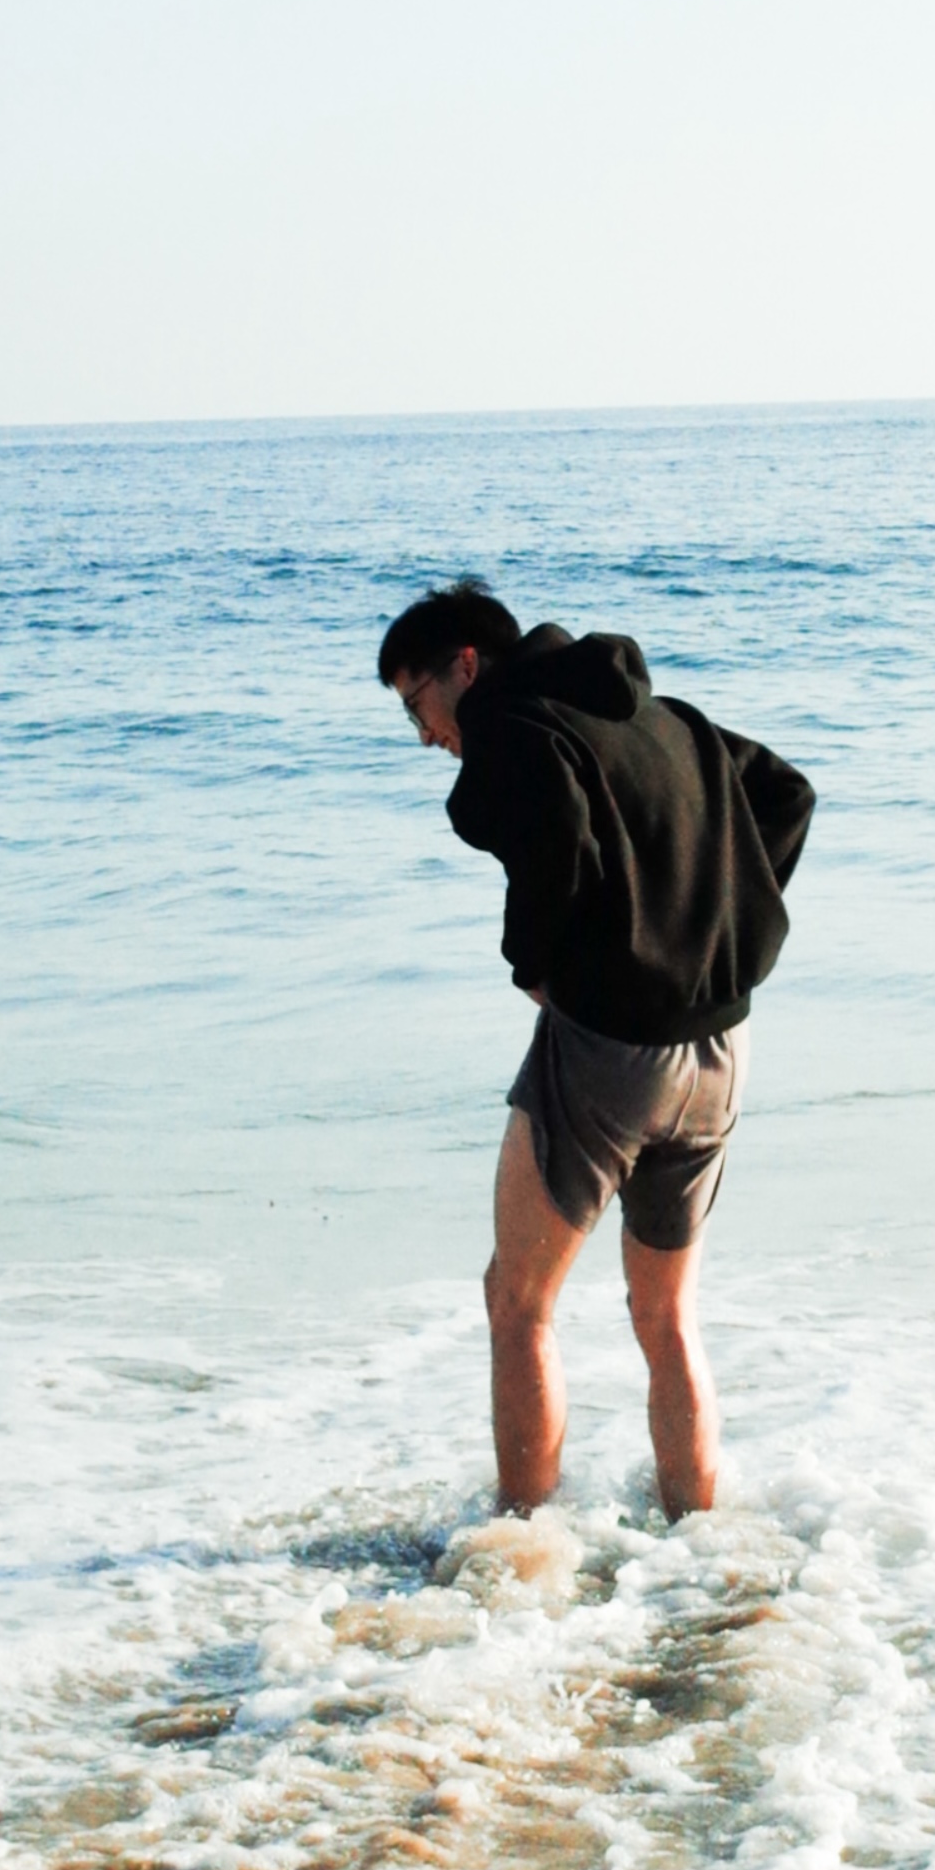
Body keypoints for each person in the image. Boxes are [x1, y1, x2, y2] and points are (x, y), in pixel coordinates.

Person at [378, 581, 815, 1521]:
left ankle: (520, 1552)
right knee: (665, 1318)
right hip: (719, 1047)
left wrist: (536, 965)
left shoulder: (513, 721)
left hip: (613, 1052)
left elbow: (557, 837)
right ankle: (696, 1546)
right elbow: (785, 794)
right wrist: (714, 936)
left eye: (417, 704)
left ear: (467, 665)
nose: (424, 735)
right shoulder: (664, 718)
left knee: (517, 1302)